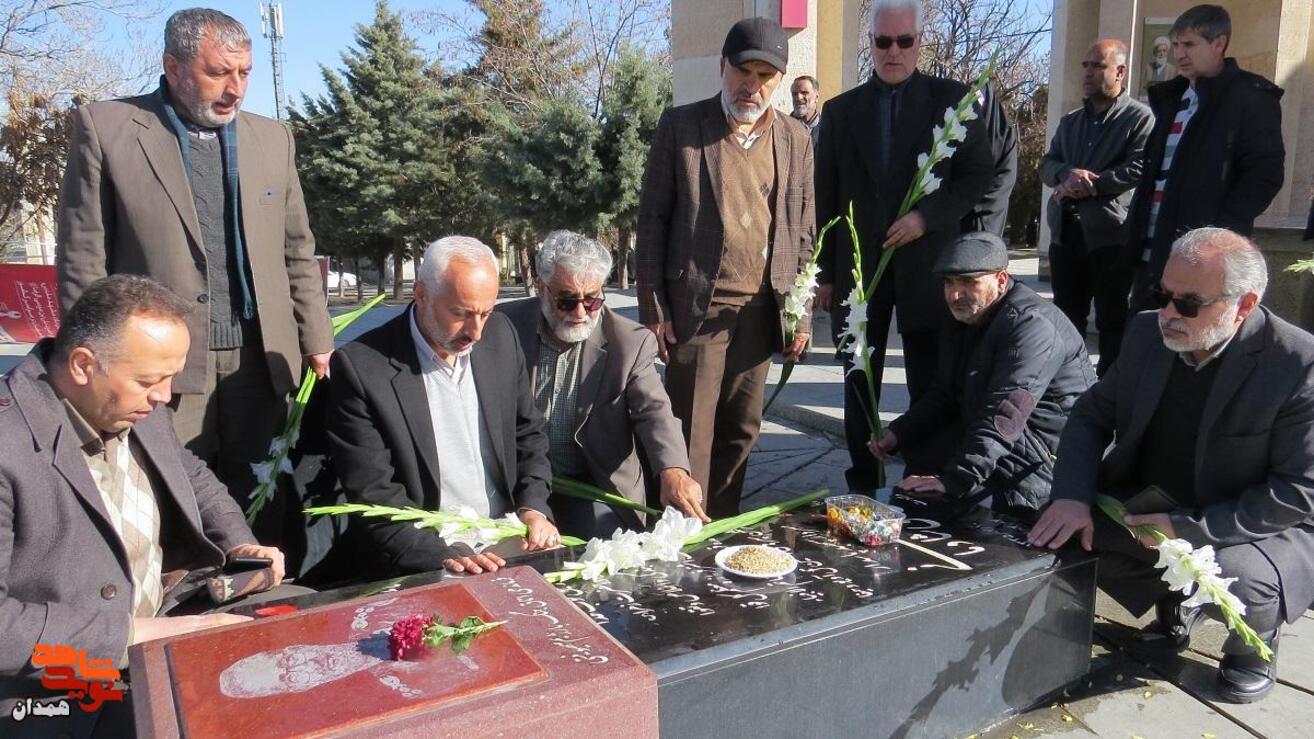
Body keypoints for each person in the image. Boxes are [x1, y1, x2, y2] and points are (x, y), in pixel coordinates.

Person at [55, 9, 333, 532]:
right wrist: (90, 355)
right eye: (218, 72)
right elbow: (82, 256)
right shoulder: (108, 128)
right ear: (174, 67)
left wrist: (316, 337)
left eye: (244, 72)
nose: (235, 89)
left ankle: (265, 579)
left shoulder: (273, 138)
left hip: (261, 360)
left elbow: (297, 247)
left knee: (264, 500)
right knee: (170, 502)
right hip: (160, 366)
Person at [1028, 228, 1314, 703]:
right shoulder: (1147, 333)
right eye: (1161, 295)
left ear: (1243, 305)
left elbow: (1299, 492)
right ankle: (1176, 599)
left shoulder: (1298, 364)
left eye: (1188, 304)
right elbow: (1090, 415)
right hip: (1154, 504)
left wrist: (1188, 528)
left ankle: (1253, 645)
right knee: (1060, 531)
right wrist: (1073, 498)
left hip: (1254, 524)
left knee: (1238, 576)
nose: (1167, 314)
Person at [0, 275, 289, 718]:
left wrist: (239, 543)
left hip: (171, 621)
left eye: (171, 377)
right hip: (61, 685)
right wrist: (140, 636)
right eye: (149, 380)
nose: (164, 396)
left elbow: (190, 473)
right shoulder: (9, 442)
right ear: (82, 365)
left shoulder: (133, 405)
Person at [636, 17, 814, 517]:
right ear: (722, 66)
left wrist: (799, 315)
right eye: (743, 72)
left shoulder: (796, 138)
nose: (751, 86)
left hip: (761, 311)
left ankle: (722, 528)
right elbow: (652, 222)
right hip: (698, 310)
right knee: (690, 433)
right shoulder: (682, 127)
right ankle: (679, 536)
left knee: (742, 431)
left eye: (765, 76)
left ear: (779, 80)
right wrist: (653, 308)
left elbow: (803, 229)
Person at [813, 0, 993, 493]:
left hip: (926, 265)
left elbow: (978, 175)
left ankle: (922, 479)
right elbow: (826, 195)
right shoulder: (840, 111)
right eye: (883, 42)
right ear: (870, 43)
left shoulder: (952, 102)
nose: (893, 52)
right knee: (859, 378)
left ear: (918, 42)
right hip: (861, 268)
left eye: (904, 41)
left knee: (930, 378)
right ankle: (863, 482)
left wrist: (925, 218)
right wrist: (826, 273)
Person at [326, 237, 560, 577]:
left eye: (485, 313)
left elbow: (528, 433)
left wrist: (534, 507)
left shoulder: (500, 336)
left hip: (510, 534)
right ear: (421, 294)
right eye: (461, 314)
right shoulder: (363, 367)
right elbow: (374, 492)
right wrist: (443, 556)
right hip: (427, 550)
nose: (475, 332)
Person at [869, 233, 1094, 519]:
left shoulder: (1032, 327)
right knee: (919, 466)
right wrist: (898, 433)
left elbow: (1004, 415)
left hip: (1042, 459)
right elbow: (943, 393)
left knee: (950, 502)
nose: (954, 294)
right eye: (949, 283)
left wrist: (953, 481)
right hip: (998, 435)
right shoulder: (966, 315)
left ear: (1000, 280)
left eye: (968, 282)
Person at [498, 231, 707, 538]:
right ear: (542, 288)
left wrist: (673, 470)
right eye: (567, 301)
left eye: (592, 300)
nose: (581, 313)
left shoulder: (630, 342)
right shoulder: (505, 325)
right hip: (520, 484)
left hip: (595, 486)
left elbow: (654, 411)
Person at [1123, 4, 1285, 313]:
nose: (1179, 54)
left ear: (1219, 43)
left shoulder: (1251, 97)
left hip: (1205, 262)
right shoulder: (1171, 99)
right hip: (1151, 254)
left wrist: (1219, 237)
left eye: (1189, 44)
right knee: (1141, 335)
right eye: (1176, 45)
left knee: (1192, 337)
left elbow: (1264, 176)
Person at [1041, 39, 1155, 375]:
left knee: (1112, 321)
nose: (1088, 73)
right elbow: (1047, 164)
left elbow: (1141, 167)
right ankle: (1069, 386)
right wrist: (1066, 173)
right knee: (1065, 319)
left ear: (1120, 72)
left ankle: (1109, 389)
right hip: (1066, 234)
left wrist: (1092, 184)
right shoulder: (1071, 122)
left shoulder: (1140, 118)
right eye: (1086, 65)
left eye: (1098, 66)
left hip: (1111, 237)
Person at [960, 83, 1018, 238]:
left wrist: (974, 200)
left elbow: (1006, 177)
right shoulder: (962, 133)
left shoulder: (1005, 135)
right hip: (958, 215)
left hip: (989, 217)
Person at [790, 75, 822, 148]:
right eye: (794, 94)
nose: (798, 98)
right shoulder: (782, 126)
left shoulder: (828, 128)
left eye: (804, 93)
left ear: (816, 97)